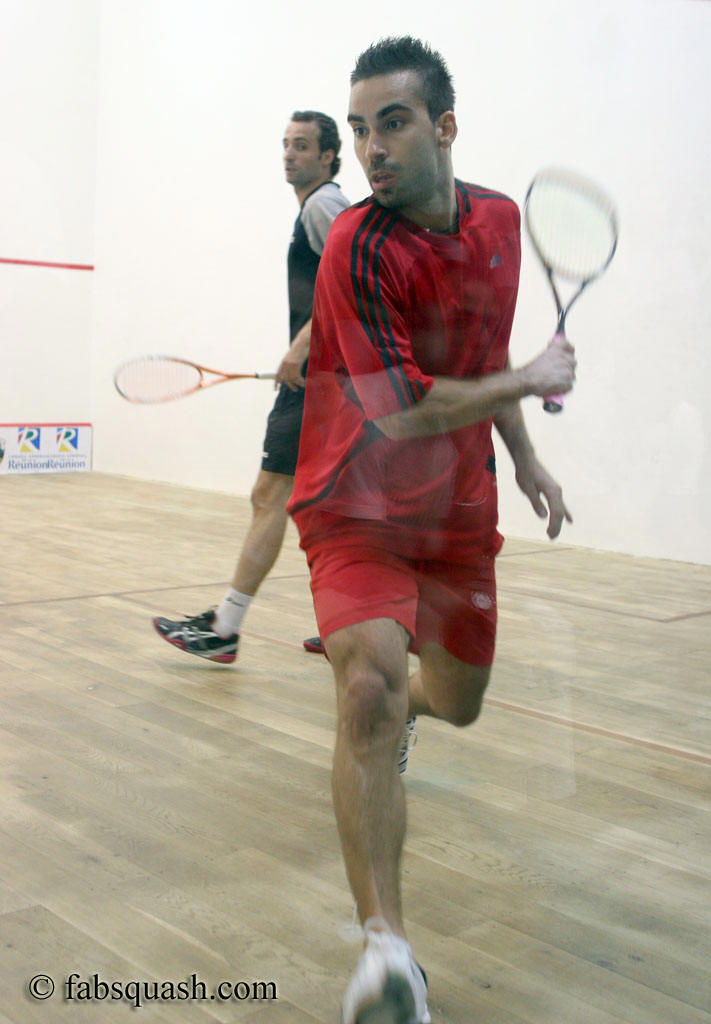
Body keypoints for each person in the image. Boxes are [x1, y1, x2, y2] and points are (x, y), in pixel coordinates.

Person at [287, 38, 577, 1024]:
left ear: (444, 126)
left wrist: (524, 454)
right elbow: (404, 410)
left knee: (456, 703)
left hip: (458, 510)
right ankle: (387, 953)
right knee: (364, 689)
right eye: (359, 128)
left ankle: (415, 705)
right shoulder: (356, 244)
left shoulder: (497, 223)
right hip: (355, 502)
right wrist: (532, 379)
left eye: (393, 123)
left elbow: (482, 353)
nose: (371, 147)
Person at [153, 111, 349, 663]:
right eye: (286, 144)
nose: (289, 154)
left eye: (302, 145)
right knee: (328, 509)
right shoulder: (318, 206)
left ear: (327, 157)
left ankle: (225, 628)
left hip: (317, 383)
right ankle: (355, 625)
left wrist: (301, 347)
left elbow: (352, 281)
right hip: (333, 382)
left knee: (270, 496)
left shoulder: (324, 206)